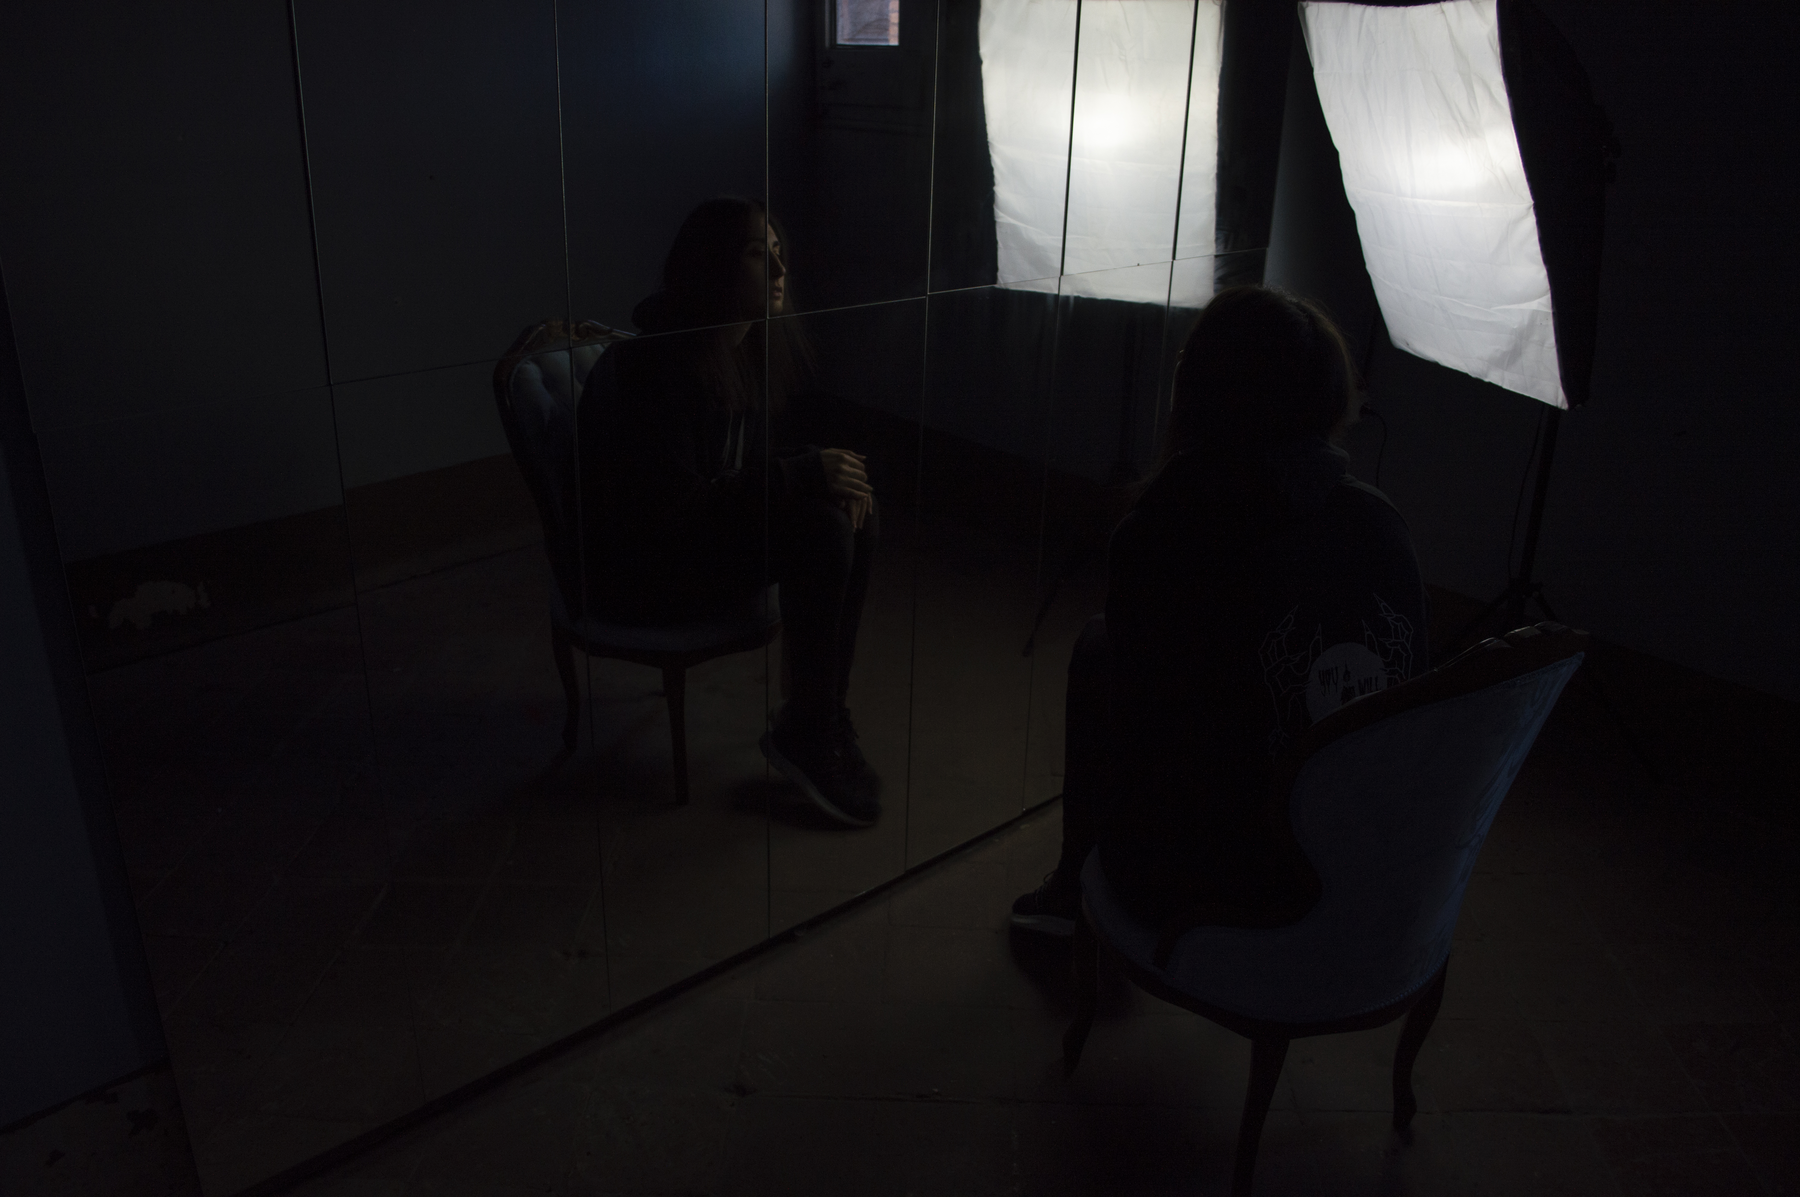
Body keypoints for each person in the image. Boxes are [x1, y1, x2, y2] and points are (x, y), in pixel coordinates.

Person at [1010, 286, 1429, 935]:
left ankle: (1077, 889)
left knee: (1099, 650)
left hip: (1226, 889)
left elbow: (1148, 743)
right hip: (1362, 860)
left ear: (1198, 391)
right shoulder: (1379, 522)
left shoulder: (1167, 533)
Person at [578, 197, 881, 827]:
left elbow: (738, 473)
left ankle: (818, 715)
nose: (780, 269)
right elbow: (671, 512)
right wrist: (805, 473)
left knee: (855, 510)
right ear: (711, 267)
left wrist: (823, 472)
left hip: (692, 543)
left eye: (778, 251)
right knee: (823, 530)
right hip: (642, 577)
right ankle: (809, 728)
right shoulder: (654, 367)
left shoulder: (735, 350)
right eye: (755, 253)